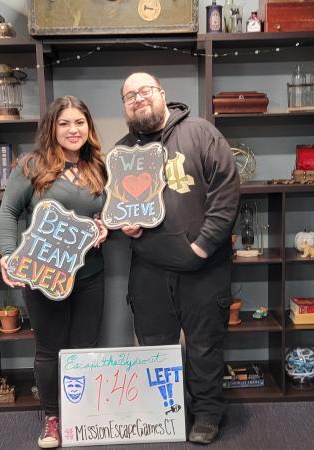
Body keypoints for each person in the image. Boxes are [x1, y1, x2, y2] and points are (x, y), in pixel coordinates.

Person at [117, 73, 240, 444]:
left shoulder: (200, 133)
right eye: (129, 96)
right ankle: (164, 413)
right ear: (125, 107)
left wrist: (202, 245)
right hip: (149, 268)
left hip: (204, 265)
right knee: (155, 345)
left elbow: (226, 192)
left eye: (145, 91)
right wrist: (126, 226)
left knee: (204, 345)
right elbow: (119, 204)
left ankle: (207, 413)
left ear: (163, 94)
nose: (138, 99)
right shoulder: (123, 151)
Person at [0, 95, 109, 449]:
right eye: (64, 123)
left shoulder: (98, 166)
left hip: (90, 275)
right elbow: (8, 212)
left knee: (85, 347)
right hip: (44, 277)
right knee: (49, 349)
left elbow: (109, 213)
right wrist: (9, 255)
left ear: (88, 127)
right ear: (51, 128)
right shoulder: (31, 166)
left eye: (79, 122)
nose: (73, 130)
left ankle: (81, 415)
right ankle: (52, 418)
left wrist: (105, 226)